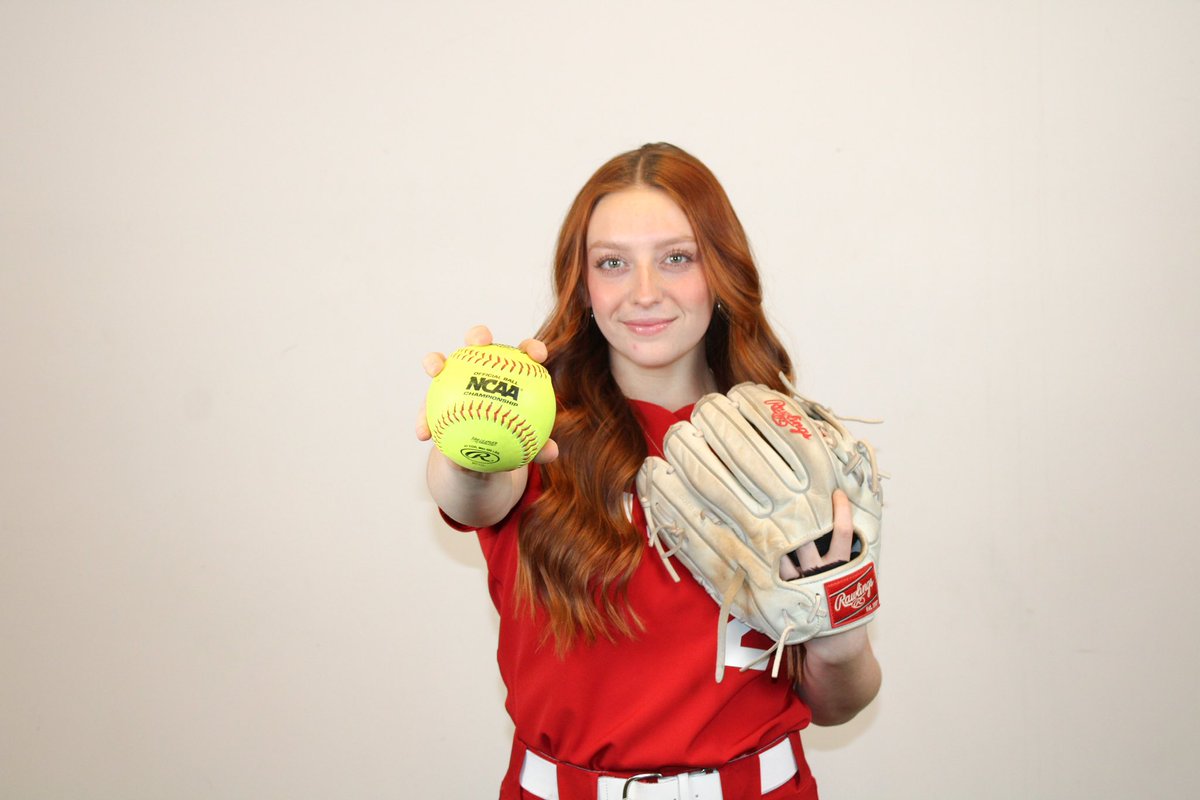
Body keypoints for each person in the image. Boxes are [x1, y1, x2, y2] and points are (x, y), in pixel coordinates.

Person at [417, 143, 881, 799]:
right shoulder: (535, 433)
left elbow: (837, 704)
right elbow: (470, 497)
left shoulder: (793, 447)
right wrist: (468, 449)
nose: (643, 292)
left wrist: (841, 637)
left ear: (718, 271)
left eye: (676, 258)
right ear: (582, 284)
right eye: (612, 263)